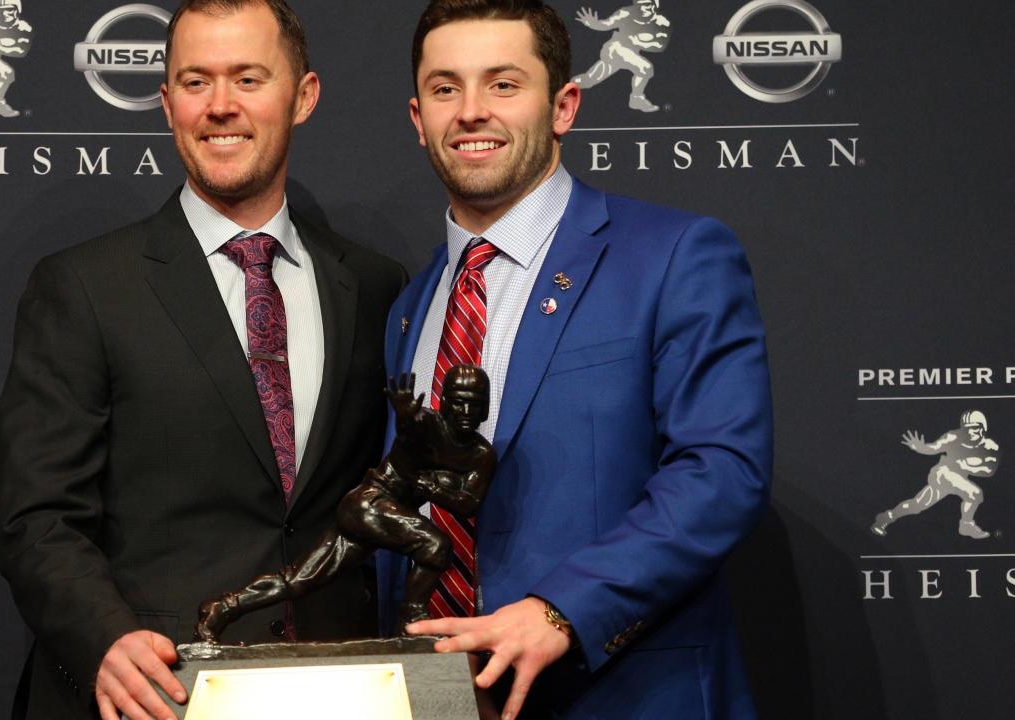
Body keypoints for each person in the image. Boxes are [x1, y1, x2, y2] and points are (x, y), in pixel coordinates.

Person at [0, 1, 404, 718]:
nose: (220, 106)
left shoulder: (372, 285)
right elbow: (39, 519)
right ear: (166, 103)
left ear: (303, 96)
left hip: (339, 688)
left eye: (248, 78)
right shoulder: (85, 286)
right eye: (195, 81)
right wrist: (104, 640)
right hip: (154, 691)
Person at [377, 2, 772, 718]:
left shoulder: (673, 256)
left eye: (503, 84)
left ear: (562, 106)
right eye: (445, 88)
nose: (471, 111)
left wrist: (562, 610)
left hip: (622, 694)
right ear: (417, 118)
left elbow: (721, 471)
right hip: (438, 698)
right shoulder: (411, 304)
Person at [194, 367, 497, 642]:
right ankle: (411, 618)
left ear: (485, 408)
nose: (465, 412)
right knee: (435, 545)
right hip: (369, 504)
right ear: (444, 402)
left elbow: (467, 504)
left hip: (383, 518)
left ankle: (224, 607)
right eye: (459, 402)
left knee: (299, 579)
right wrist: (405, 420)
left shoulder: (480, 455)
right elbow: (410, 434)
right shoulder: (425, 424)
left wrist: (428, 485)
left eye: (474, 404)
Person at [871, 411, 1000, 539]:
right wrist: (920, 447)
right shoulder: (953, 437)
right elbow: (934, 447)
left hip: (958, 478)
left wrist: (967, 466)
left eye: (975, 428)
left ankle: (886, 517)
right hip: (943, 473)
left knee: (916, 505)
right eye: (967, 429)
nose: (971, 432)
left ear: (983, 428)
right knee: (975, 493)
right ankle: (966, 525)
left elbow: (989, 470)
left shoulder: (990, 446)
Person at [571, 0, 670, 113]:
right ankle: (636, 99)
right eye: (639, 5)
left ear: (654, 5)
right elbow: (607, 24)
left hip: (629, 53)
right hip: (615, 49)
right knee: (645, 68)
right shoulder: (625, 13)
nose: (642, 8)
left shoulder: (662, 22)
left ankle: (572, 84)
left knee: (589, 80)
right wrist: (594, 24)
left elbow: (660, 46)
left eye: (646, 5)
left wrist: (638, 42)